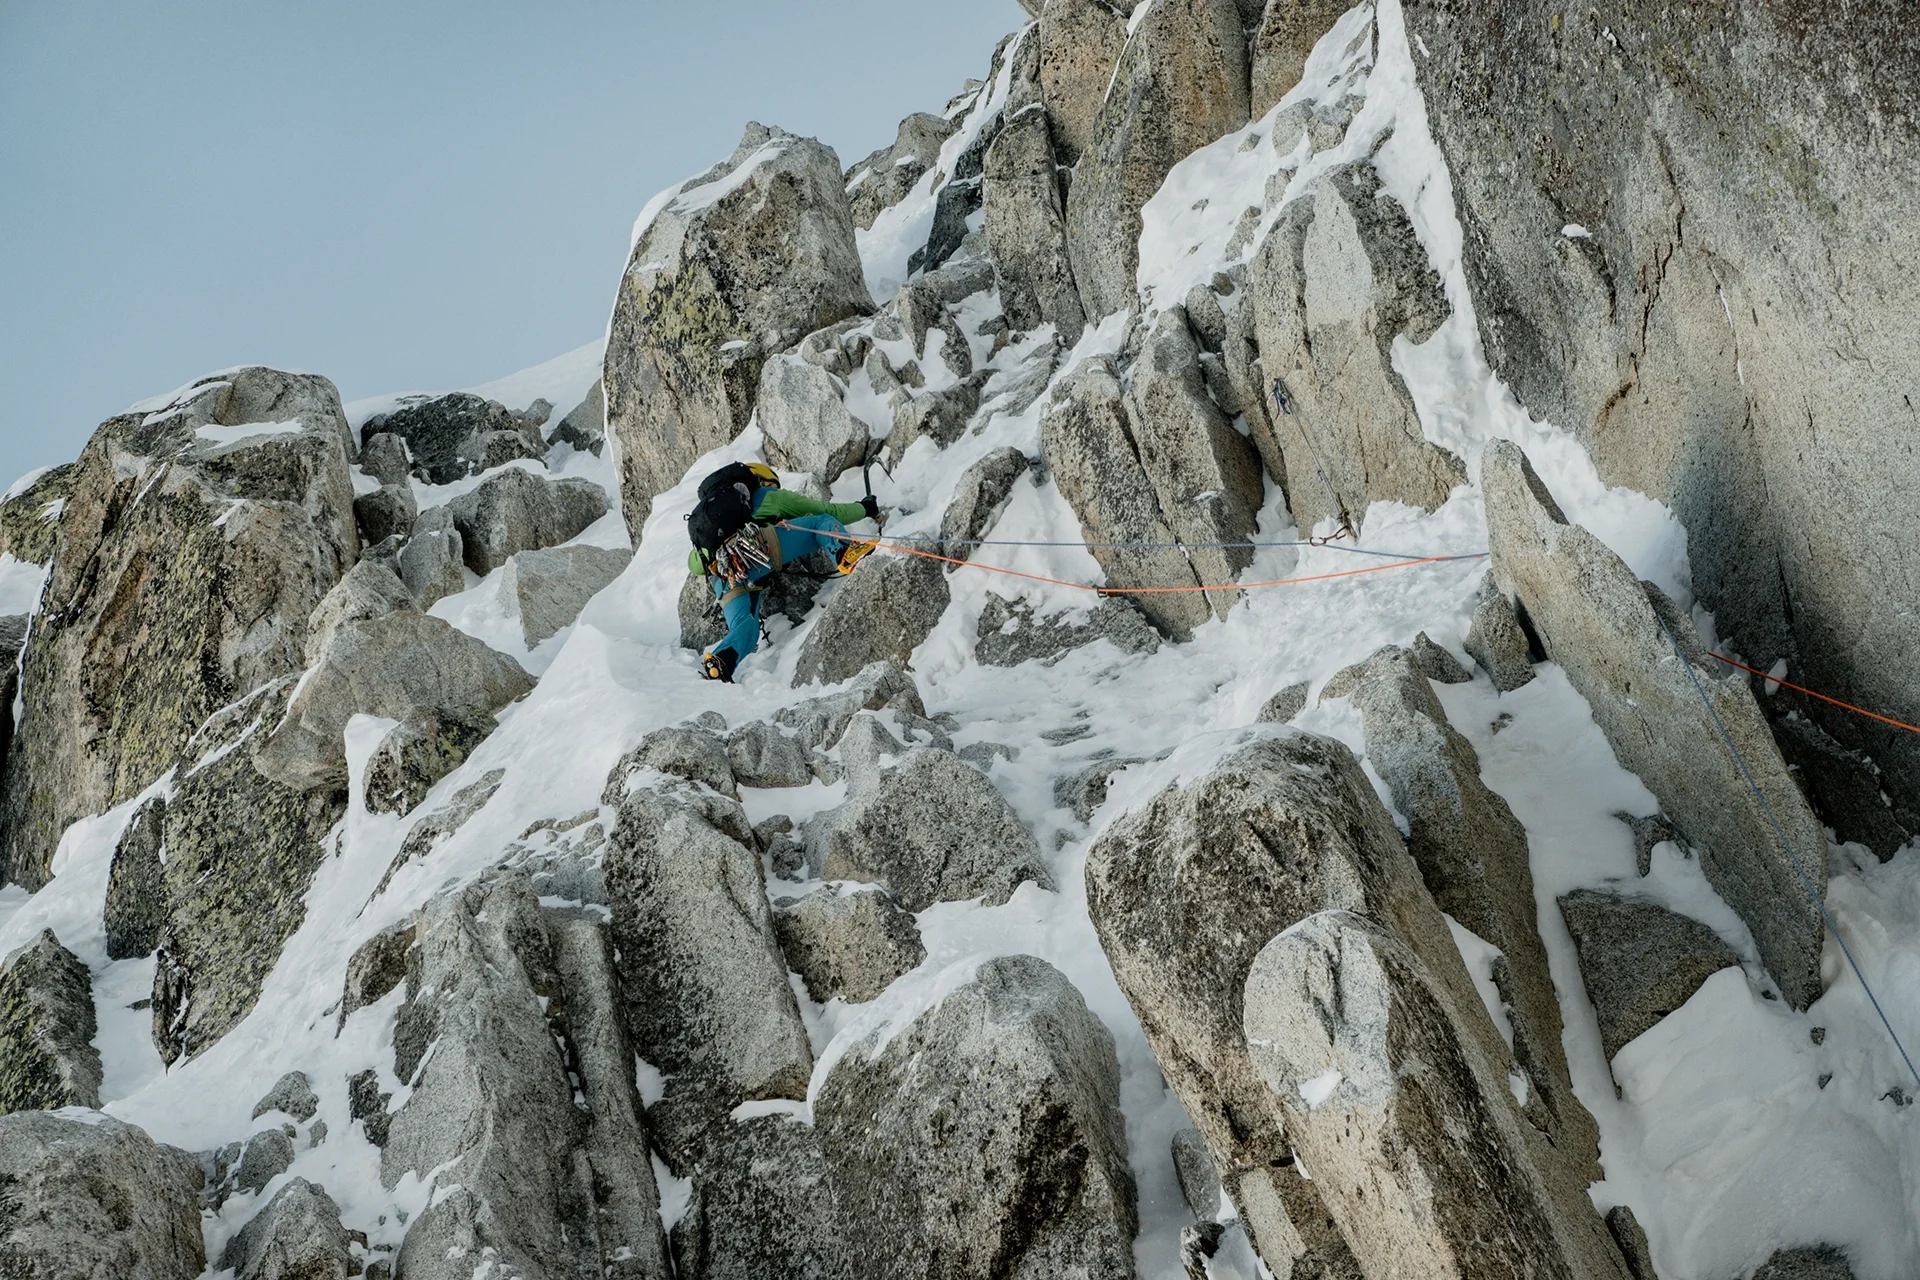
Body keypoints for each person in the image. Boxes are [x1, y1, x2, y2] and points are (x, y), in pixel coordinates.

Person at [688, 463, 882, 682]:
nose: (773, 487)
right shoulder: (765, 495)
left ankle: (721, 661)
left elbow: (695, 566)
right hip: (760, 549)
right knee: (821, 523)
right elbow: (827, 512)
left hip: (726, 574)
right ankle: (846, 553)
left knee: (745, 627)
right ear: (760, 480)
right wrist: (865, 508)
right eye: (772, 483)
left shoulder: (706, 525)